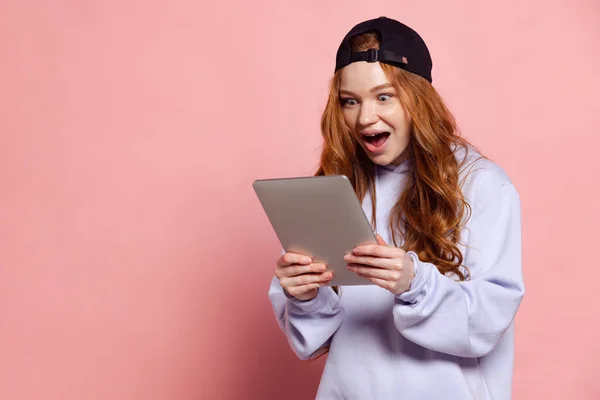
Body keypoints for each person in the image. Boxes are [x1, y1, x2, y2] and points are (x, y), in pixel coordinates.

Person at [267, 16, 524, 400]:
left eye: (383, 96)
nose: (365, 117)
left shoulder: (482, 184)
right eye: (349, 101)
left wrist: (413, 283)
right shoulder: (336, 189)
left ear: (418, 97)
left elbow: (489, 321)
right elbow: (313, 342)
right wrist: (303, 296)